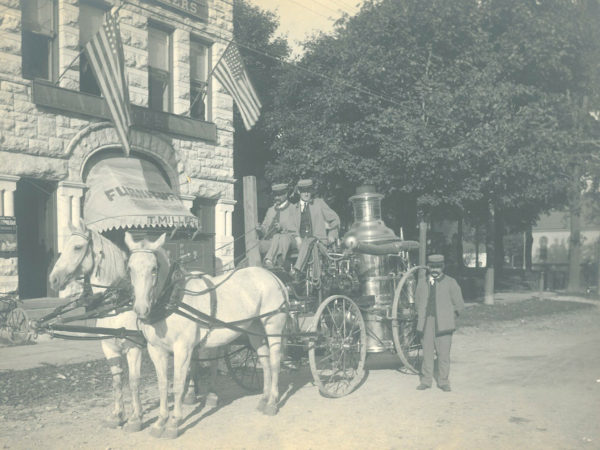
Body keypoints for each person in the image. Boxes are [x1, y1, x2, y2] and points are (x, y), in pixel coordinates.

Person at [415, 254, 465, 392]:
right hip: (426, 323)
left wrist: (449, 316)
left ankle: (443, 381)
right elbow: (417, 302)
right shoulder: (422, 283)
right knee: (427, 353)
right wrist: (421, 317)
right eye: (432, 266)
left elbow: (459, 305)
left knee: (443, 354)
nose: (435, 269)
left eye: (438, 267)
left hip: (444, 324)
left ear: (442, 267)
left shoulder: (451, 282)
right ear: (428, 267)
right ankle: (426, 381)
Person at [291, 179, 340, 277]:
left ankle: (297, 270)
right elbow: (289, 227)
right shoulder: (293, 208)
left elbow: (335, 219)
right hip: (298, 242)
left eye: (308, 190)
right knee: (306, 242)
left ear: (311, 191)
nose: (306, 193)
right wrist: (296, 238)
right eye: (303, 191)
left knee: (310, 240)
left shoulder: (319, 203)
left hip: (318, 241)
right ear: (299, 192)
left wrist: (331, 234)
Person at [257, 183, 298, 268]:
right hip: (271, 241)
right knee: (256, 244)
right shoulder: (270, 210)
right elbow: (265, 230)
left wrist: (282, 227)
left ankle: (271, 261)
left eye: (279, 195)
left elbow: (296, 227)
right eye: (275, 195)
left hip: (289, 240)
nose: (276, 198)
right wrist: (260, 229)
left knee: (280, 237)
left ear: (286, 194)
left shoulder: (293, 208)